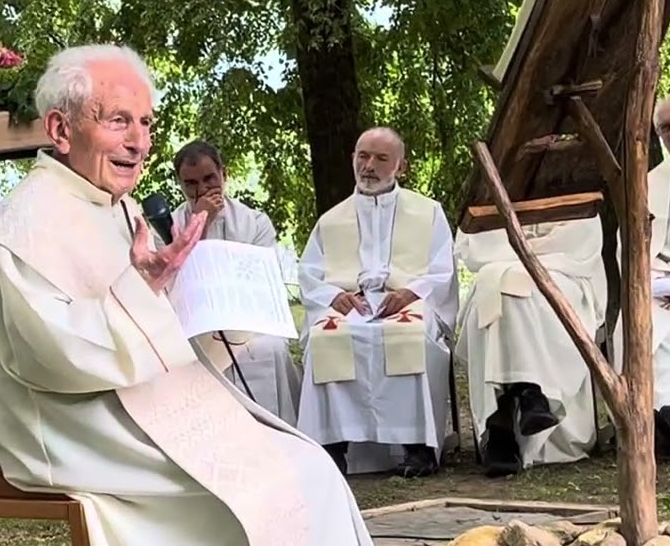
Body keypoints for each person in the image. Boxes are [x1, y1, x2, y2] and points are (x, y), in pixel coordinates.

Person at [0, 44, 397, 546]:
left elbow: (145, 317)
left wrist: (189, 300)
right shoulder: (19, 230)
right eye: (118, 121)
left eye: (145, 124)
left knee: (307, 468)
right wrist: (147, 295)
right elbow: (50, 354)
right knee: (235, 501)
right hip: (61, 421)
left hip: (131, 399)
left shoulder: (117, 207)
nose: (138, 141)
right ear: (60, 129)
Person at [297, 127, 460, 477]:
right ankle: (333, 446)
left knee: (410, 334)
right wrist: (334, 296)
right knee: (329, 337)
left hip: (407, 300)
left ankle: (418, 448)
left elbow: (443, 268)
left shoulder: (428, 212)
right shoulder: (331, 219)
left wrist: (410, 293)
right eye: (362, 156)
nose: (368, 166)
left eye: (381, 158)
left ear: (401, 166)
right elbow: (309, 274)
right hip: (350, 303)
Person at [456, 220, 606, 477]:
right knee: (498, 286)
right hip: (501, 269)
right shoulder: (492, 187)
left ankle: (500, 425)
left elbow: (580, 244)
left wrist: (521, 251)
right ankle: (531, 396)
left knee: (512, 289)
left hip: (564, 274)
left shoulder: (576, 182)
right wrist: (526, 251)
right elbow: (474, 247)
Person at [169, 139, 303, 424]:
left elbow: (261, 280)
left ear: (224, 174)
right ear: (180, 184)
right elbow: (175, 281)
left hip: (248, 319)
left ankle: (275, 433)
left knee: (271, 349)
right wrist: (199, 224)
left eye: (209, 178)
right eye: (190, 183)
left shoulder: (255, 222)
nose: (202, 189)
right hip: (194, 323)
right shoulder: (169, 226)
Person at [631, 93, 670, 455]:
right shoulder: (646, 185)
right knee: (647, 329)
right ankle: (663, 420)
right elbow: (629, 248)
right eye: (665, 127)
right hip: (659, 287)